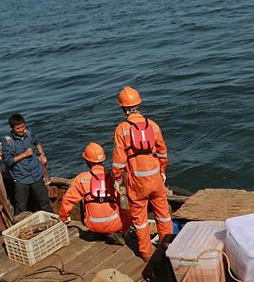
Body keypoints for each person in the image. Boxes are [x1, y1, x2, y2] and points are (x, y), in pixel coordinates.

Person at [111, 86, 172, 259]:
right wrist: (162, 170)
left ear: (123, 108)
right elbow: (162, 152)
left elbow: (118, 159)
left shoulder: (122, 129)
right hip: (155, 179)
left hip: (137, 181)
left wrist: (117, 178)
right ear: (138, 105)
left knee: (140, 220)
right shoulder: (152, 125)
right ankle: (168, 248)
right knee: (163, 215)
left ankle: (146, 253)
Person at [58, 142, 130, 243]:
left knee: (88, 202)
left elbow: (67, 200)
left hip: (92, 224)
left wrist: (63, 217)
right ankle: (119, 232)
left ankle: (99, 232)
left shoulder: (81, 179)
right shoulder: (112, 178)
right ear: (103, 160)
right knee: (124, 209)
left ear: (87, 161)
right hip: (115, 223)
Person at [1, 113, 52, 216]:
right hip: (21, 178)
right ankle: (21, 223)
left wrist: (41, 154)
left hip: (36, 174)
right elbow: (8, 161)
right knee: (21, 207)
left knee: (45, 202)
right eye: (18, 128)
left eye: (23, 126)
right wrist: (24, 154)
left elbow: (37, 142)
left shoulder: (28, 133)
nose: (21, 130)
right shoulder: (8, 142)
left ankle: (52, 220)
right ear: (12, 128)